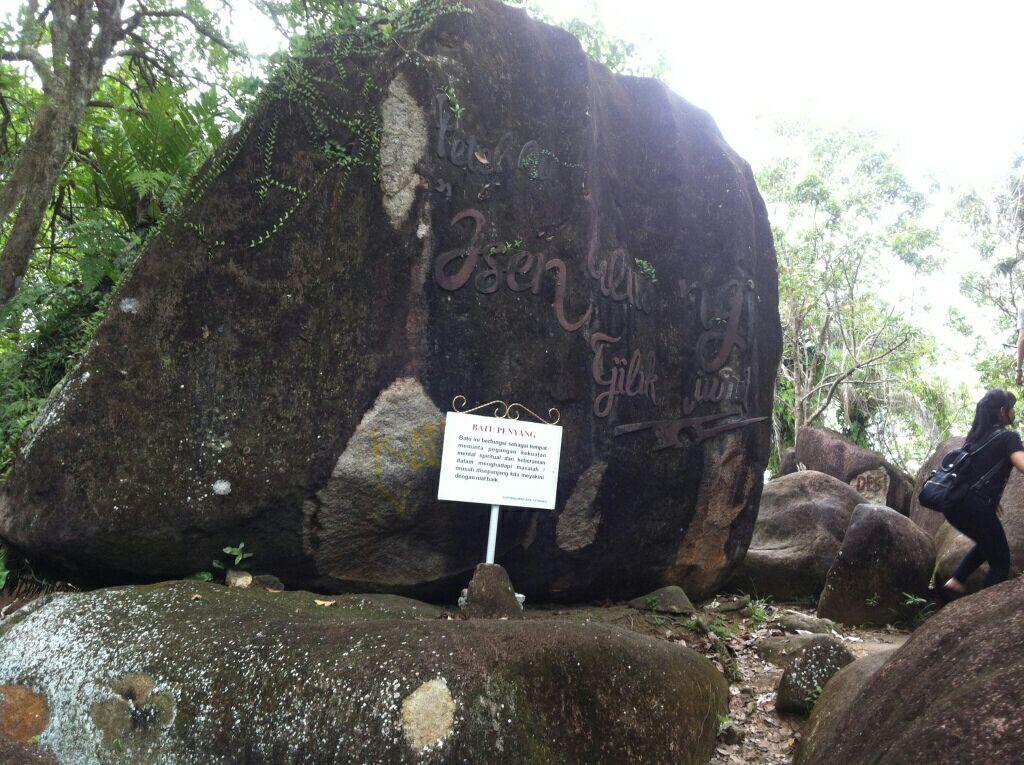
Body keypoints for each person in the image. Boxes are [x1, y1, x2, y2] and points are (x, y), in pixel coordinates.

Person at [940, 389, 1024, 601]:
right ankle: (985, 607)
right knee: (1001, 561)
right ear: (1003, 411)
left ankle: (956, 581)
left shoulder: (975, 437)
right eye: (1011, 408)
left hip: (954, 505)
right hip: (975, 506)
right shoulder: (1009, 438)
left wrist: (990, 499)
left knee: (987, 544)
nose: (1014, 412)